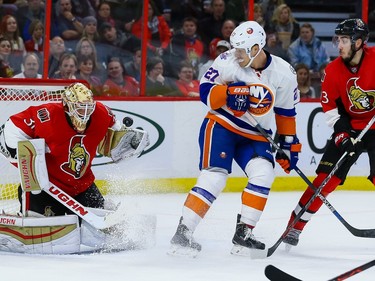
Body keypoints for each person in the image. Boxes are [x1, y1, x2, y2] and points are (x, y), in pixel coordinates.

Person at [170, 21, 300, 256]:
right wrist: (228, 93)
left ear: (256, 49)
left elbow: (285, 112)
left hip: (256, 134)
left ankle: (244, 232)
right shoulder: (226, 61)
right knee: (215, 177)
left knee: (264, 172)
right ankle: (183, 232)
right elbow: (205, 92)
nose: (236, 54)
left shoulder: (284, 73)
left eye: (242, 50)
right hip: (223, 125)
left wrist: (289, 146)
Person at [0, 82, 149, 252]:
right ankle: (16, 220)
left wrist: (130, 140)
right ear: (66, 105)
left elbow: (117, 131)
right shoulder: (45, 115)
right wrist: (21, 152)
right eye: (79, 107)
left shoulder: (102, 113)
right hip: (45, 189)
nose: (84, 112)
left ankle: (99, 211)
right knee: (42, 230)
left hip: (82, 185)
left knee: (109, 232)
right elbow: (11, 128)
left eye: (88, 107)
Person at [283, 18, 375, 248]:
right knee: (325, 179)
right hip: (348, 126)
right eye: (338, 40)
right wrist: (343, 137)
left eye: (344, 40)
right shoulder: (332, 71)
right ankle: (294, 226)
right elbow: (331, 109)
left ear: (359, 42)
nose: (339, 45)